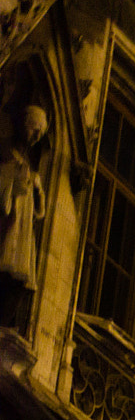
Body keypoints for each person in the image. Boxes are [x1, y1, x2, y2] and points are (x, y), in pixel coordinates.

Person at [0, 105, 47, 330]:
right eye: (34, 129)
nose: (36, 137)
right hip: (8, 224)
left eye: (40, 133)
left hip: (22, 234)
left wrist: (37, 189)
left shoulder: (29, 164)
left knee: (18, 279)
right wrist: (17, 178)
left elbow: (40, 212)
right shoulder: (7, 152)